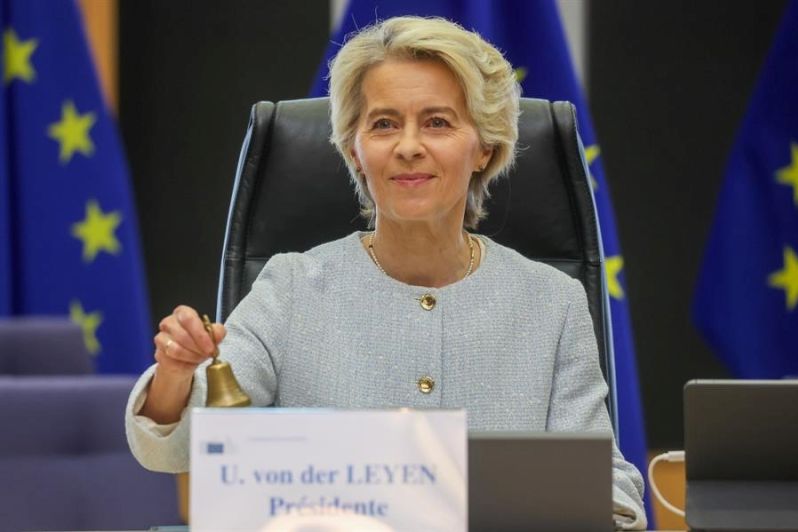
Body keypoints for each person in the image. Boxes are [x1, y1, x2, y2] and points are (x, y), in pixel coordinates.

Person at [125, 16, 647, 529]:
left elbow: (604, 483)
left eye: (438, 122)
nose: (408, 146)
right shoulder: (289, 289)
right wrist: (174, 377)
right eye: (384, 123)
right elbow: (181, 446)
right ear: (355, 149)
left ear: (484, 147)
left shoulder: (551, 302)